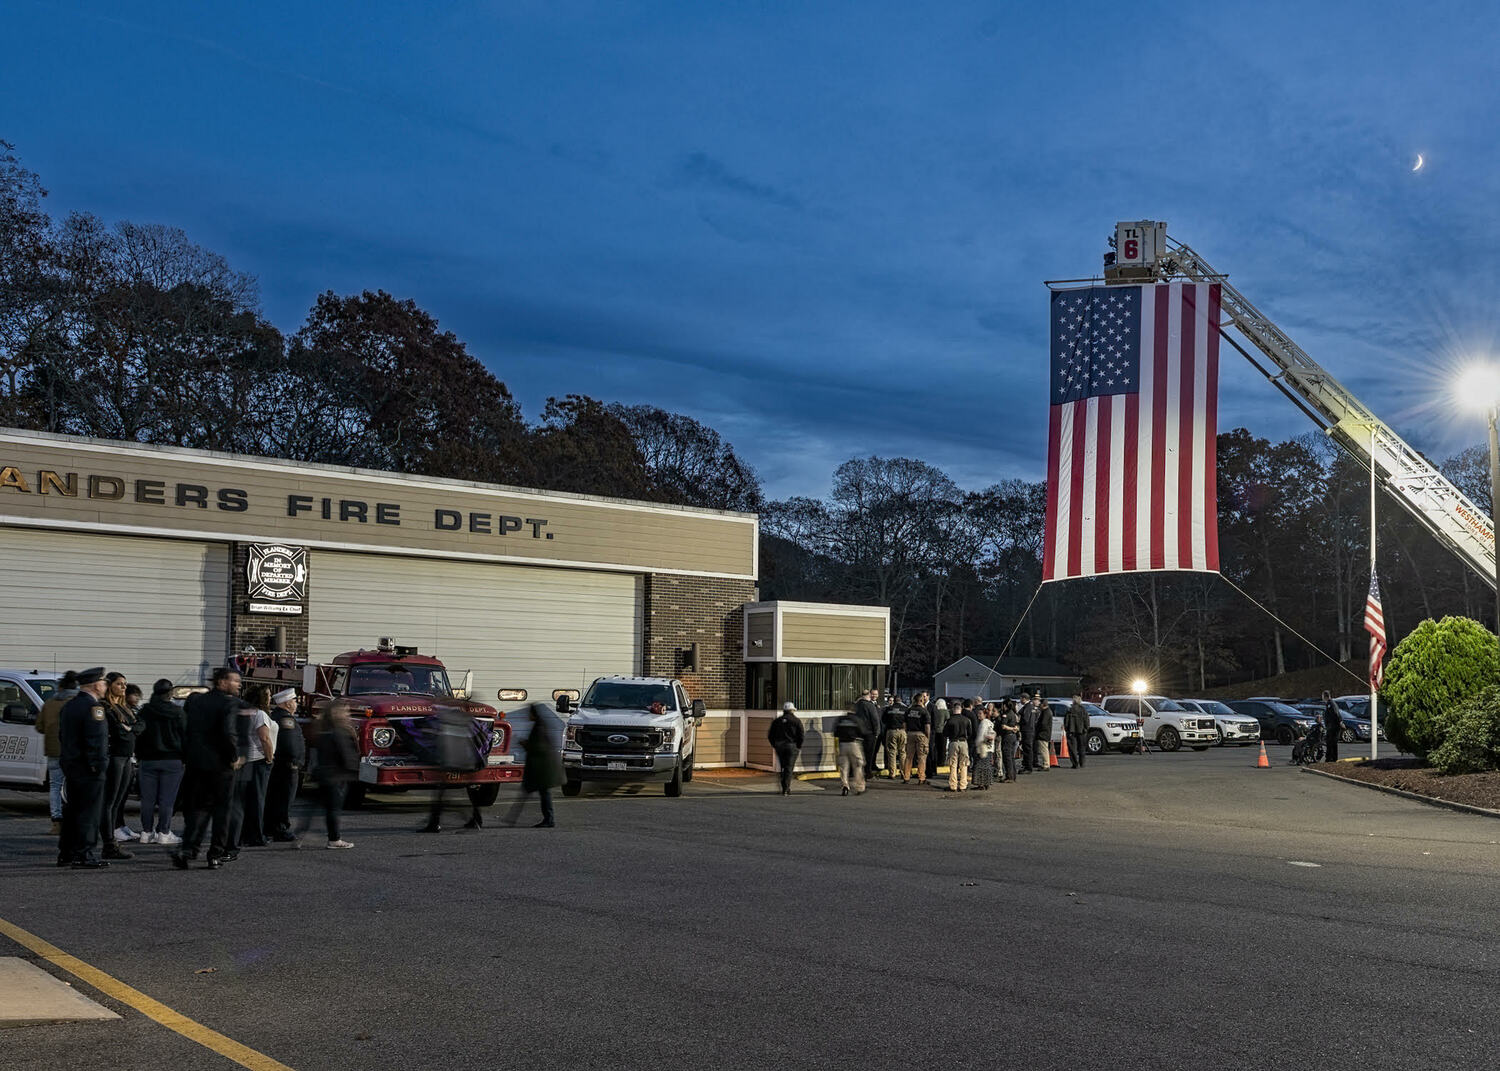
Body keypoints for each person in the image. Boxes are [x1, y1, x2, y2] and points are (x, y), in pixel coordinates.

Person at [174, 667, 243, 870]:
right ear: (222, 682)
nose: (239, 684)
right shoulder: (229, 703)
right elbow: (228, 733)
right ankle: (215, 854)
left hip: (196, 764)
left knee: (197, 809)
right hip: (220, 766)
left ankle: (188, 849)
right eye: (235, 680)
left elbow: (185, 731)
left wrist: (187, 756)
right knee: (222, 811)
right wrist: (234, 757)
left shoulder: (196, 701)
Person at [57, 668, 111, 869]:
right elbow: (96, 741)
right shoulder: (93, 708)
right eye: (104, 683)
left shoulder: (70, 706)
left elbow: (62, 736)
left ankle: (67, 852)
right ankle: (84, 854)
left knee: (72, 810)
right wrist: (99, 766)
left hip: (72, 765)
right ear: (96, 685)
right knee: (89, 812)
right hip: (90, 769)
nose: (105, 686)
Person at [296, 700, 358, 848]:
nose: (347, 714)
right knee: (333, 810)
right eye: (345, 711)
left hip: (322, 774)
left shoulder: (323, 731)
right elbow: (346, 756)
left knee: (312, 809)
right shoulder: (340, 732)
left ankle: (300, 834)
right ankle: (334, 839)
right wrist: (354, 770)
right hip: (336, 777)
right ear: (337, 714)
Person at [136, 678, 186, 846]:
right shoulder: (178, 712)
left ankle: (146, 832)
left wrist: (139, 755)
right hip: (172, 760)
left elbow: (139, 734)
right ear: (170, 693)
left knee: (147, 799)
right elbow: (185, 737)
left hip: (148, 760)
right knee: (167, 800)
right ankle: (164, 832)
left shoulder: (145, 711)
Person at [227, 684, 275, 850]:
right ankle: (255, 835)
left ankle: (241, 834)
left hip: (244, 760)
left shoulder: (244, 711)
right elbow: (264, 738)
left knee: (242, 801)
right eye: (268, 695)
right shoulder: (260, 714)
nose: (270, 698)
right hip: (258, 760)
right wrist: (269, 758)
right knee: (257, 800)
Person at [425, 701, 485, 832]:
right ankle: (476, 819)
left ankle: (434, 824)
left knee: (441, 794)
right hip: (467, 762)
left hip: (453, 761)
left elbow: (443, 740)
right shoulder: (470, 721)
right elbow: (479, 740)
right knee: (470, 791)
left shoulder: (448, 718)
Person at [100, 672, 141, 859]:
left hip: (126, 757)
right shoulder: (106, 707)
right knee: (109, 801)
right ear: (110, 686)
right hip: (115, 757)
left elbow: (140, 726)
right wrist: (130, 730)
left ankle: (113, 837)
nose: (124, 687)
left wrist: (131, 729)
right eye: (119, 684)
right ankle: (108, 843)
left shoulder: (124, 707)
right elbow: (118, 732)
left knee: (118, 801)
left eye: (125, 684)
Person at [35, 670, 77, 835]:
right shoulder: (79, 702)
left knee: (55, 786)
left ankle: (56, 821)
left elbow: (39, 726)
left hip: (53, 750)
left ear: (60, 687)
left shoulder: (50, 703)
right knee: (75, 786)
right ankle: (74, 821)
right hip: (74, 751)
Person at [506, 706, 562, 827]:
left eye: (529, 713)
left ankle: (548, 819)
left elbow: (537, 747)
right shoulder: (539, 726)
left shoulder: (539, 728)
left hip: (541, 768)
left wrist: (525, 743)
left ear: (534, 714)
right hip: (540, 768)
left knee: (540, 793)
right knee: (536, 793)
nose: (528, 716)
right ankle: (512, 818)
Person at [263, 688, 305, 841]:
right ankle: (280, 828)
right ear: (287, 703)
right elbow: (290, 744)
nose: (296, 703)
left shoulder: (277, 717)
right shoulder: (286, 720)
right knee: (284, 799)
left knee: (274, 797)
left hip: (280, 765)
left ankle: (270, 827)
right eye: (294, 700)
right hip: (287, 766)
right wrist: (295, 761)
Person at [767, 702, 805, 795]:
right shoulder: (796, 721)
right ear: (792, 710)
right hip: (792, 746)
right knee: (789, 767)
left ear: (784, 710)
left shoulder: (777, 721)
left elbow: (770, 735)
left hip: (780, 746)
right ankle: (786, 788)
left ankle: (784, 785)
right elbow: (801, 735)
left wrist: (774, 745)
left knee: (783, 766)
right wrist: (799, 746)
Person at [833, 707, 865, 796]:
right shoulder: (856, 720)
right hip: (853, 744)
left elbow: (835, 733)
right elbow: (862, 732)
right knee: (858, 765)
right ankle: (859, 787)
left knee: (844, 767)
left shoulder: (840, 719)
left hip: (842, 744)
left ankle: (845, 786)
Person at [944, 702, 974, 792]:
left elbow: (945, 733)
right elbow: (970, 733)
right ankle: (963, 785)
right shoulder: (967, 720)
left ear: (954, 709)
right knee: (964, 764)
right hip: (963, 742)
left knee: (953, 764)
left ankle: (953, 785)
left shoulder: (950, 720)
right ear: (961, 709)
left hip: (953, 742)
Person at [902, 692, 932, 784]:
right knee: (921, 757)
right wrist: (927, 737)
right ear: (921, 700)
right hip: (921, 734)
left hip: (910, 734)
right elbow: (927, 726)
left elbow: (904, 724)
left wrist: (907, 732)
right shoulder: (924, 711)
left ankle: (906, 777)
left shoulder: (908, 710)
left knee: (909, 757)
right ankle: (921, 777)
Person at [853, 689, 881, 778]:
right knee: (869, 753)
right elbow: (875, 719)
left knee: (858, 753)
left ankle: (856, 771)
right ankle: (867, 772)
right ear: (868, 695)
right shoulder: (870, 705)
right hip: (869, 733)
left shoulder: (856, 705)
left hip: (857, 732)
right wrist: (877, 732)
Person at [881, 696, 906, 781]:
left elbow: (884, 720)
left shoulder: (889, 709)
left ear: (893, 701)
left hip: (891, 731)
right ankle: (904, 773)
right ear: (901, 700)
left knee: (892, 752)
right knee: (902, 752)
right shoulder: (905, 709)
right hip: (902, 731)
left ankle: (892, 773)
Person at [972, 704, 996, 789]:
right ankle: (987, 783)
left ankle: (981, 784)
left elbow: (980, 736)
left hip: (983, 748)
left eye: (980, 713)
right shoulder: (990, 722)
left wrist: (977, 744)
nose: (978, 715)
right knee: (987, 767)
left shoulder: (983, 723)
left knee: (979, 767)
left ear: (985, 714)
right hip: (989, 748)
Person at [997, 698, 1021, 783]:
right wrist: (1015, 729)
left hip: (1007, 737)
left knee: (1007, 757)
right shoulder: (1014, 714)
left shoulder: (1006, 714)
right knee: (1011, 757)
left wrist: (1011, 728)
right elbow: (1017, 725)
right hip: (1013, 737)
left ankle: (1009, 776)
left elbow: (1003, 726)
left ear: (1005, 705)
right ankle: (1013, 775)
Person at [1064, 693, 1090, 769]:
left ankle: (1075, 763)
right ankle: (1082, 763)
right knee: (1082, 748)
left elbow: (1066, 722)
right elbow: (1087, 720)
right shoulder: (1083, 709)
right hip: (1082, 731)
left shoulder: (1070, 710)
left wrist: (1067, 729)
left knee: (1072, 748)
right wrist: (1086, 728)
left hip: (1072, 732)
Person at [1018, 693, 1041, 774]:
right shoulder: (1031, 706)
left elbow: (1025, 718)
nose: (1020, 700)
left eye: (1021, 698)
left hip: (1027, 730)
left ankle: (1028, 767)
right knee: (1028, 749)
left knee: (1027, 749)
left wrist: (1018, 723)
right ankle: (1027, 765)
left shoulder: (1028, 707)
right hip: (1030, 730)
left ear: (1024, 698)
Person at [928, 698, 949, 780]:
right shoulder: (945, 712)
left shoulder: (935, 711)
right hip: (943, 731)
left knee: (935, 748)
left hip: (935, 731)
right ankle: (942, 761)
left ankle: (936, 761)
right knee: (943, 748)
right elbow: (948, 720)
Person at [1035, 693, 1054, 771]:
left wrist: (1038, 729)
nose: (1039, 706)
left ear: (1043, 705)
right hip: (1045, 733)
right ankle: (1045, 763)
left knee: (1044, 750)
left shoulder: (1046, 712)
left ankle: (1046, 764)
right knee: (1043, 749)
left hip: (1043, 734)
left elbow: (1043, 723)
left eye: (1040, 704)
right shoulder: (1047, 711)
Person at [1322, 691, 1342, 762]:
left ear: (1325, 696)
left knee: (1331, 743)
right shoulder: (1330, 703)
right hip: (1332, 726)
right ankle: (1331, 758)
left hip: (1333, 727)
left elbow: (1335, 714)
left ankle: (1331, 758)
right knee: (1331, 743)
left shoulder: (1330, 704)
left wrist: (1339, 722)